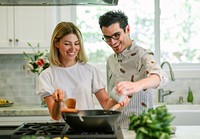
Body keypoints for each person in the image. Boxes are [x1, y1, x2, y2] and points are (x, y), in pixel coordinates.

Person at [37, 22, 126, 121]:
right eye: (67, 44)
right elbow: (55, 116)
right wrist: (57, 102)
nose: (73, 48)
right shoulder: (46, 76)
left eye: (76, 43)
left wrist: (118, 95)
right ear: (56, 43)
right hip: (62, 131)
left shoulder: (90, 71)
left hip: (87, 128)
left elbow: (106, 104)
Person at [98, 10, 169, 128]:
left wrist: (137, 85)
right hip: (115, 128)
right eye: (107, 38)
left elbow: (161, 77)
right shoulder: (111, 60)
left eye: (116, 35)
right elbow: (113, 101)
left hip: (139, 129)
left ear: (127, 29)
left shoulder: (143, 55)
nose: (113, 42)